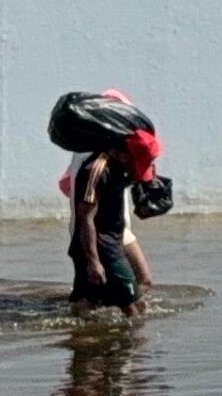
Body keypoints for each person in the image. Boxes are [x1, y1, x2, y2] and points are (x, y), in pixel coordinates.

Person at [66, 130, 158, 310]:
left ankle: (78, 335)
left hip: (113, 240)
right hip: (102, 247)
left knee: (89, 302)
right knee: (133, 307)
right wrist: (94, 262)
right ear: (119, 154)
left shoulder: (122, 165)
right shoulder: (97, 170)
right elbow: (85, 217)